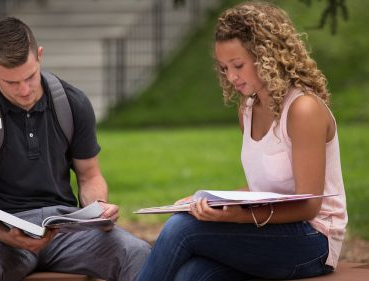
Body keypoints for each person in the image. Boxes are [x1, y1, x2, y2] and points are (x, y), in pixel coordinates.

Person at [136, 2, 347, 280]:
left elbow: (309, 205)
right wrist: (211, 200)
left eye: (238, 65)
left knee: (182, 228)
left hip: (312, 240)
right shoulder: (247, 110)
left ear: (266, 56)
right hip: (270, 232)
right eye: (224, 68)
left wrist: (236, 216)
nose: (231, 77)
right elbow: (266, 186)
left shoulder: (303, 109)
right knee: (191, 274)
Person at [0, 17, 150, 281]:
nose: (24, 90)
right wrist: (7, 235)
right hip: (2, 235)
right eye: (11, 82)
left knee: (137, 252)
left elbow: (90, 176)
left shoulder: (72, 103)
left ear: (39, 55)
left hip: (64, 230)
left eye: (30, 77)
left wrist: (98, 207)